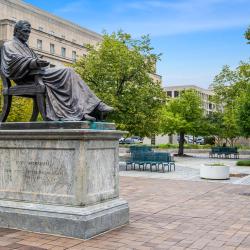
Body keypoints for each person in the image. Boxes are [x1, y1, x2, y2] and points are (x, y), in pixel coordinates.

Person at [1, 20, 113, 121]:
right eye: (25, 31)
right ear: (16, 31)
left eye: (29, 32)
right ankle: (92, 107)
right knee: (68, 71)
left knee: (70, 74)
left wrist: (39, 62)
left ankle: (83, 111)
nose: (27, 35)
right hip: (26, 78)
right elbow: (12, 62)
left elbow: (33, 59)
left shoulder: (26, 47)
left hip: (39, 75)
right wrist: (33, 62)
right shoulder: (9, 45)